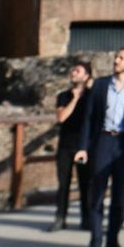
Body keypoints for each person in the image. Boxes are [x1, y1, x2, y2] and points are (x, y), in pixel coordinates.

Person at [75, 48, 124, 247]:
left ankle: (112, 241)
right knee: (97, 193)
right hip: (103, 141)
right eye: (116, 57)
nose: (116, 61)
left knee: (119, 196)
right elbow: (89, 118)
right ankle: (96, 243)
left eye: (121, 58)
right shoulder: (100, 85)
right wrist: (83, 147)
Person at [49, 60, 92, 232]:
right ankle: (60, 218)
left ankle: (87, 219)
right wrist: (74, 99)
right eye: (73, 70)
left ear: (86, 76)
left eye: (78, 70)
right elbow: (61, 117)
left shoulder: (92, 95)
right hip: (66, 145)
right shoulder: (63, 96)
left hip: (84, 145)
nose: (74, 73)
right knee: (63, 184)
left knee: (85, 184)